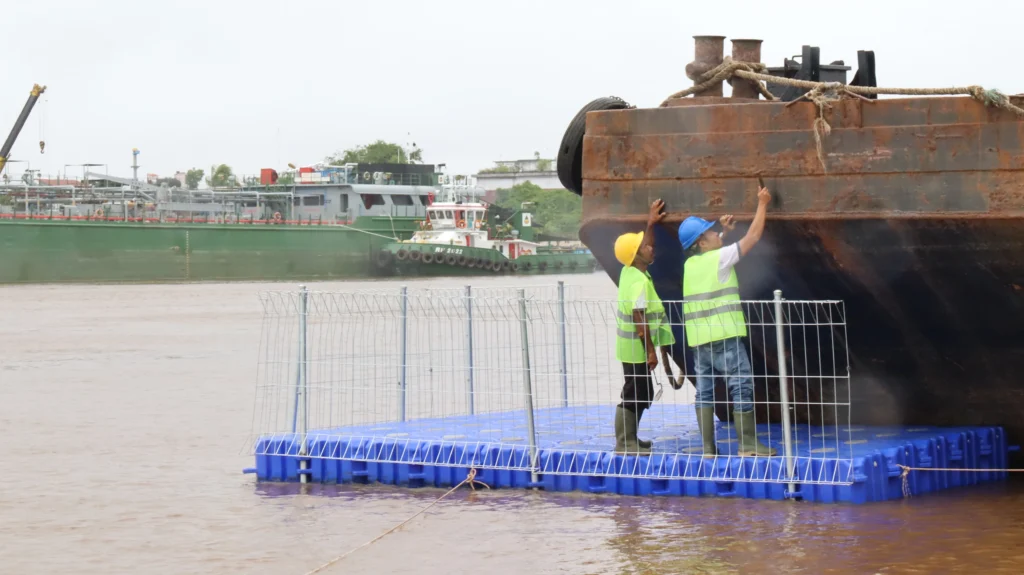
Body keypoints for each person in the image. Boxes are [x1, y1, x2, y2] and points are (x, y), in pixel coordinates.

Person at [677, 185, 777, 457]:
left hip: (700, 341)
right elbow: (754, 236)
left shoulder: (690, 265)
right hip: (726, 338)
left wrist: (723, 234)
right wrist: (763, 203)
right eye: (709, 232)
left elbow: (712, 255)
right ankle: (747, 444)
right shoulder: (720, 259)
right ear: (701, 242)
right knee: (741, 385)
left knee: (705, 393)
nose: (714, 232)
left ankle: (708, 448)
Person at [612, 199, 679, 455]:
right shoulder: (638, 282)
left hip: (629, 347)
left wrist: (650, 223)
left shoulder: (629, 271)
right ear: (636, 255)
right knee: (633, 392)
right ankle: (624, 442)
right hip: (636, 348)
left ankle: (631, 438)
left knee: (642, 391)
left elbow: (639, 250)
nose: (651, 248)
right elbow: (640, 319)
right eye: (645, 247)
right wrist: (650, 351)